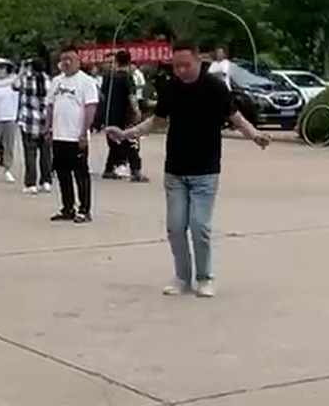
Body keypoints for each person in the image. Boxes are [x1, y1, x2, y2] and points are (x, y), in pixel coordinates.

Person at [109, 41, 271, 297]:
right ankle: (182, 276)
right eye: (176, 66)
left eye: (186, 65)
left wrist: (255, 135)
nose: (181, 71)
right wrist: (127, 133)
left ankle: (205, 277)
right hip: (175, 170)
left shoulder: (215, 88)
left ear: (198, 60)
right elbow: (156, 121)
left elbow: (236, 118)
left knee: (199, 226)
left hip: (205, 170)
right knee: (175, 227)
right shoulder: (171, 89)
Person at [47, 47, 99, 223]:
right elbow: (50, 106)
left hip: (76, 136)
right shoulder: (56, 82)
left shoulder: (86, 82)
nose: (66, 62)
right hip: (59, 136)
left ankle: (84, 210)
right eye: (63, 59)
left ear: (78, 61)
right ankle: (67, 208)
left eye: (70, 59)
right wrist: (48, 128)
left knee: (80, 174)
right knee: (62, 174)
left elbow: (90, 108)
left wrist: (84, 132)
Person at [98, 49, 146, 182]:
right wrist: (137, 111)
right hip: (125, 116)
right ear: (129, 62)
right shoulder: (126, 77)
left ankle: (109, 169)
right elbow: (131, 97)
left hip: (110, 115)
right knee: (132, 142)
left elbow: (102, 96)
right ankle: (136, 170)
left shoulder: (108, 78)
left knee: (115, 143)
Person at [16, 56, 52, 194]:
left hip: (29, 121)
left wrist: (22, 70)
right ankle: (46, 181)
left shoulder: (26, 79)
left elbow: (14, 85)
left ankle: (31, 183)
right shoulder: (49, 81)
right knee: (46, 153)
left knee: (30, 153)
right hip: (45, 121)